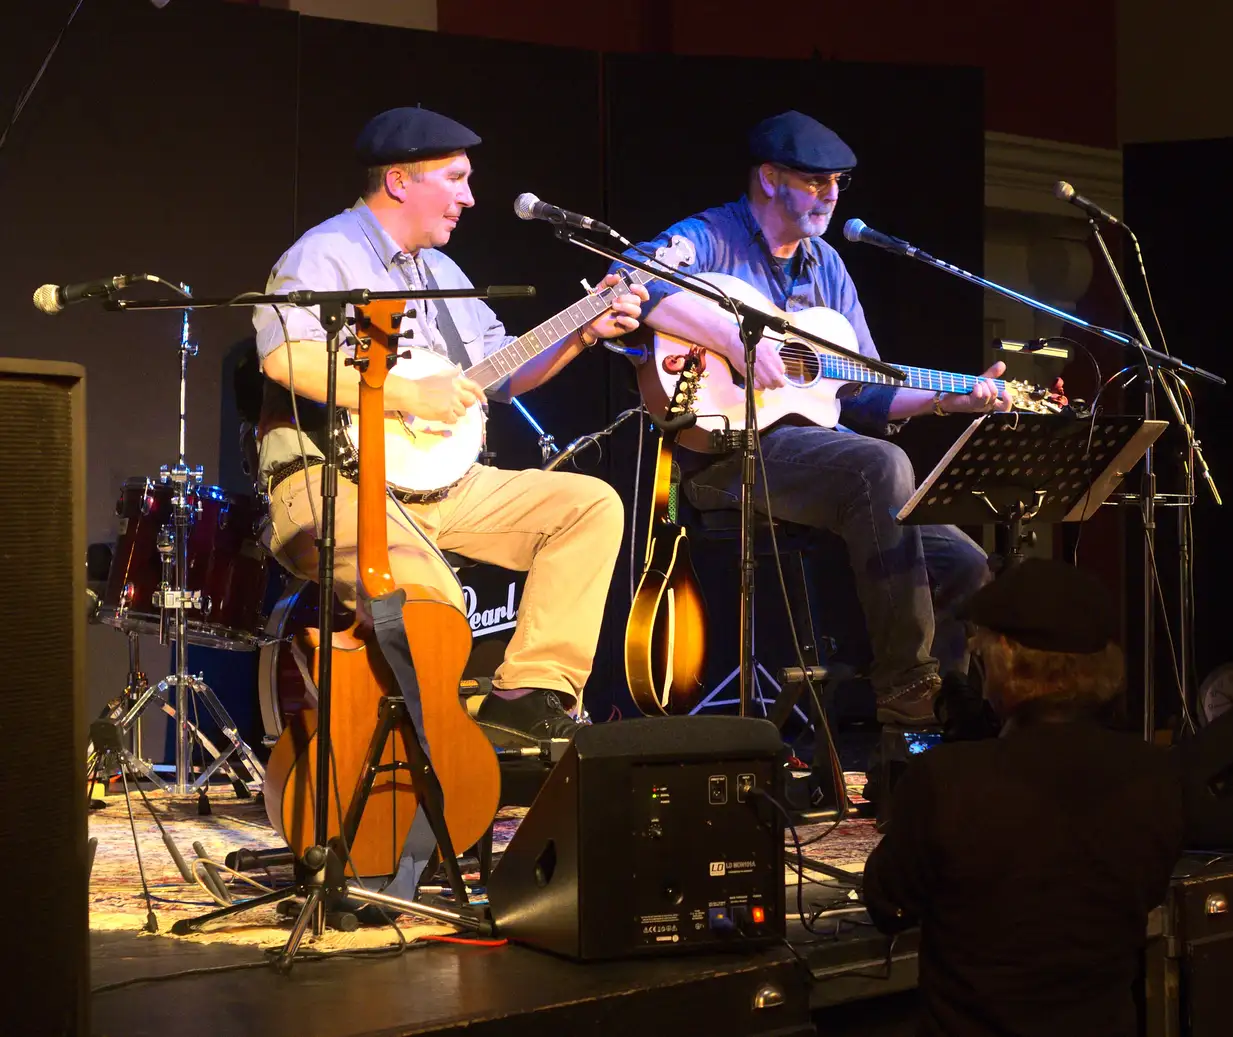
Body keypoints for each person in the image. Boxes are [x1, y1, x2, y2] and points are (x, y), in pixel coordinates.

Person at [253, 106, 645, 744]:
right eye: (456, 179)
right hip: (335, 483)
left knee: (587, 505)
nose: (469, 197)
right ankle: (416, 754)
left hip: (441, 489)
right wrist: (406, 393)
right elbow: (284, 355)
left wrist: (582, 332)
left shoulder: (442, 274)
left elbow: (503, 370)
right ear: (401, 182)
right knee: (431, 598)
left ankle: (525, 697)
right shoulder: (327, 253)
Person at [618, 110, 1010, 726]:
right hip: (724, 454)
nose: (831, 195)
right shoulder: (712, 236)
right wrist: (735, 334)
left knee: (962, 560)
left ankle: (945, 720)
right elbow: (629, 279)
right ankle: (907, 683)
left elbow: (866, 393)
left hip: (820, 457)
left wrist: (948, 399)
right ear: (769, 178)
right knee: (879, 465)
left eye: (838, 183)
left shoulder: (827, 265)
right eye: (815, 181)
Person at [863, 560, 1184, 1037]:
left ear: (1006, 658)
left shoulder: (947, 780)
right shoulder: (1158, 775)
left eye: (983, 648)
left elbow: (887, 905)